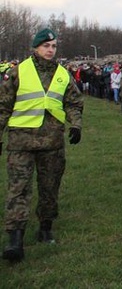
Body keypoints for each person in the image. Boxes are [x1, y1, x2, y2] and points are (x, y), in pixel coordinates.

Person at [0, 28, 84, 261]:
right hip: (21, 142)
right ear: (36, 48)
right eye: (46, 46)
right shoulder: (18, 72)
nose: (50, 50)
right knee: (18, 189)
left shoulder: (62, 74)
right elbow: (3, 107)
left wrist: (76, 124)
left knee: (49, 188)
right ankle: (15, 238)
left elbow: (74, 102)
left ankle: (45, 227)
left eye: (54, 46)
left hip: (52, 142)